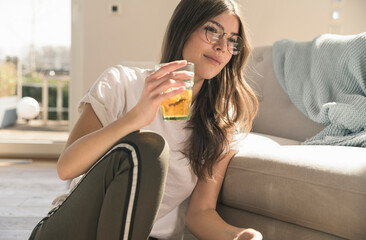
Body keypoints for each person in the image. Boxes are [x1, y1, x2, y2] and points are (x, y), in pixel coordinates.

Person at [29, 0, 262, 239]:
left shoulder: (223, 121)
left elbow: (200, 213)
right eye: (213, 31)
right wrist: (135, 118)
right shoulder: (120, 83)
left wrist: (238, 235)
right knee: (149, 149)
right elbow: (66, 167)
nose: (223, 47)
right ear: (184, 27)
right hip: (73, 231)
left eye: (233, 40)